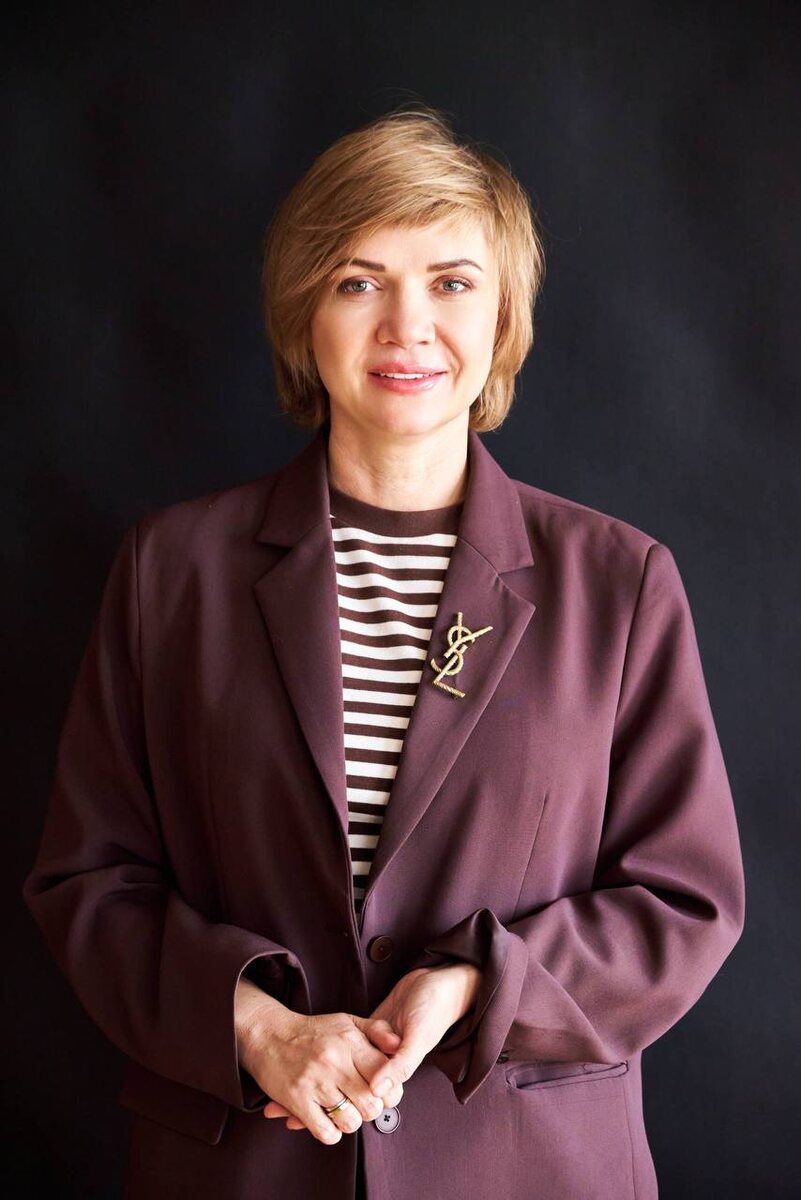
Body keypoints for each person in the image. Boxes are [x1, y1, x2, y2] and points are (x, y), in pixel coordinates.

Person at [22, 104, 745, 1200]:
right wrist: (253, 1026)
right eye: (359, 282)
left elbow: (684, 902)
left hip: (529, 1170)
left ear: (502, 317)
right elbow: (89, 879)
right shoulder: (171, 571)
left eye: (451, 282)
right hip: (244, 1167)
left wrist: (478, 987)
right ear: (303, 314)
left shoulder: (620, 582)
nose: (408, 325)